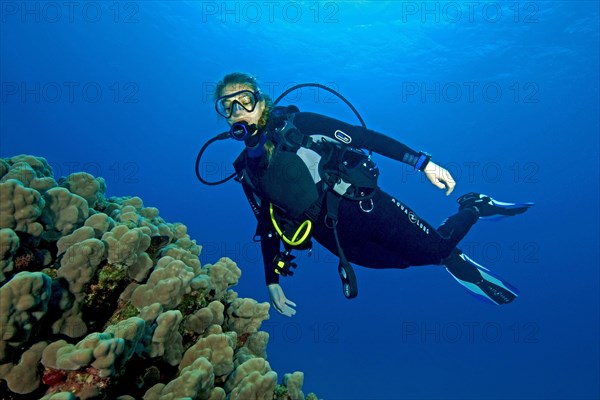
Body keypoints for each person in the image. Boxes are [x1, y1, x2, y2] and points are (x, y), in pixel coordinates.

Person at [211, 72, 534, 317]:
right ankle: (436, 250)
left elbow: (362, 136)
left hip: (365, 207)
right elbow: (267, 223)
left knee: (435, 250)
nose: (238, 111)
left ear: (262, 102)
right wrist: (272, 280)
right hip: (336, 239)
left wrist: (422, 163)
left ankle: (473, 207)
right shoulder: (246, 169)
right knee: (402, 262)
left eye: (245, 100)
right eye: (229, 107)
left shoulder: (299, 125)